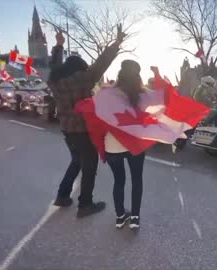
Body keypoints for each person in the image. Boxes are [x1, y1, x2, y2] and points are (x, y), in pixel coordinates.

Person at [48, 25, 126, 218]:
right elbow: (102, 63)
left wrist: (58, 46)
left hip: (67, 129)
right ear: (80, 67)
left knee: (76, 162)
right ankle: (85, 205)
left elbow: (54, 65)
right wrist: (116, 44)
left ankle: (62, 195)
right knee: (89, 166)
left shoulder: (55, 81)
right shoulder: (83, 79)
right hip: (83, 130)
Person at [105, 60, 146, 229]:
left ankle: (120, 216)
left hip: (112, 144)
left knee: (118, 180)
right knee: (137, 180)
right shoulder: (142, 95)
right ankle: (135, 218)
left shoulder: (107, 93)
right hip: (134, 144)